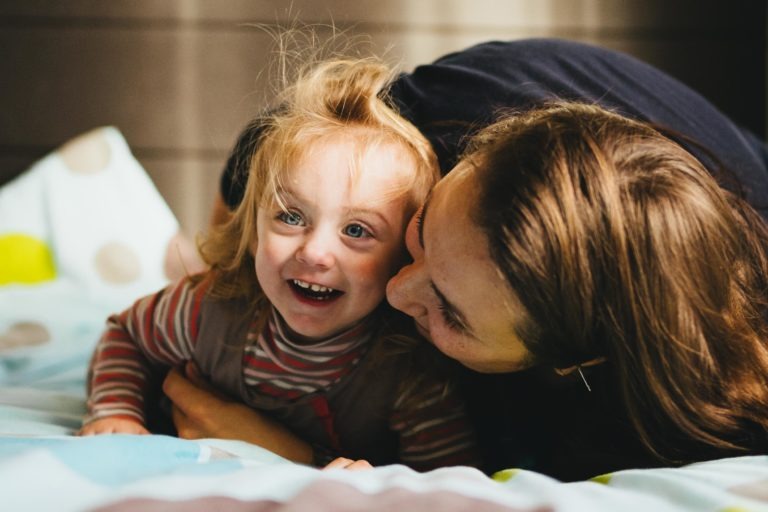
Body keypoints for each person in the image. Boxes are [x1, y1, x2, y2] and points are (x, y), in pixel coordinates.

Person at [164, 38, 768, 480]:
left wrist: (296, 459)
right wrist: (232, 287)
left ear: (571, 365)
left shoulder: (690, 418)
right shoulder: (448, 108)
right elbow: (261, 152)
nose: (398, 292)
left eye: (450, 314)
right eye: (421, 231)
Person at [78, 56, 480, 471]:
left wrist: (366, 480)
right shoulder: (205, 309)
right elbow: (126, 336)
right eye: (290, 217)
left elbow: (443, 483)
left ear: (401, 260)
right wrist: (116, 411)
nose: (314, 252)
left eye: (357, 231)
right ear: (253, 232)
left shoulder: (411, 376)